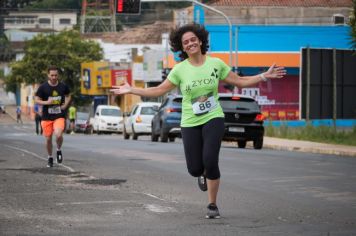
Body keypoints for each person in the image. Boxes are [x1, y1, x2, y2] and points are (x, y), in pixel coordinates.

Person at [110, 23, 286, 219]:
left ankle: (212, 204)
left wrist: (263, 75)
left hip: (214, 117)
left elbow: (240, 81)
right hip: (190, 121)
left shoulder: (216, 64)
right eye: (186, 42)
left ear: (201, 41)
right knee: (195, 168)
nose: (190, 43)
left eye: (193, 39)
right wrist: (132, 89)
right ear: (182, 47)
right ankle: (201, 174)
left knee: (210, 160)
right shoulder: (179, 70)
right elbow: (159, 90)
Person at [34, 66, 71, 168]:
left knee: (58, 135)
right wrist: (46, 102)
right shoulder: (43, 87)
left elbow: (68, 95)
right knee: (48, 139)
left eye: (56, 75)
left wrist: (65, 105)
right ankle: (50, 157)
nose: (54, 77)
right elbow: (36, 99)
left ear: (58, 75)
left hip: (59, 115)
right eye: (52, 75)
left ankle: (58, 150)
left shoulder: (63, 86)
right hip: (46, 117)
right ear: (48, 75)